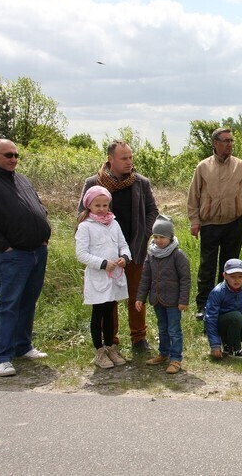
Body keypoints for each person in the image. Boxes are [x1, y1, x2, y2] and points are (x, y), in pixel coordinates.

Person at [0, 139, 51, 377]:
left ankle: (22, 346)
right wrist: (5, 247)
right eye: (8, 155)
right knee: (7, 304)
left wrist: (44, 234)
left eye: (16, 155)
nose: (13, 159)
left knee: (27, 301)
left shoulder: (21, 178)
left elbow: (39, 207)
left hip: (37, 252)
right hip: (12, 256)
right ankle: (1, 356)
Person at [79, 141, 158, 354]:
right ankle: (110, 341)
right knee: (108, 298)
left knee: (136, 295)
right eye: (124, 158)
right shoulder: (94, 183)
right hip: (104, 256)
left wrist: (144, 233)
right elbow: (81, 215)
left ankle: (138, 337)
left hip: (134, 249)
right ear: (110, 160)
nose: (129, 162)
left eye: (131, 157)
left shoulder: (140, 182)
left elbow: (153, 211)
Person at [187, 127, 242, 321]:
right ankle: (203, 306)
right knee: (207, 266)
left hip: (234, 223)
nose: (229, 145)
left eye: (231, 141)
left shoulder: (241, 166)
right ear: (215, 143)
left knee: (230, 266)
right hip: (209, 224)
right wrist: (195, 221)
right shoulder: (203, 167)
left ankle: (226, 305)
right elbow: (194, 196)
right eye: (225, 141)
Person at [75, 186, 131, 369]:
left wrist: (124, 257)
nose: (101, 208)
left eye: (105, 205)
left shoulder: (114, 223)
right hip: (98, 277)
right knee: (98, 313)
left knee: (110, 312)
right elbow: (81, 254)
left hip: (114, 276)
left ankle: (110, 347)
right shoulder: (85, 227)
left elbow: (123, 244)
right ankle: (99, 351)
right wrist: (103, 263)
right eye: (97, 205)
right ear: (89, 205)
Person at [135, 216, 191, 374]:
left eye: (162, 237)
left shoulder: (178, 255)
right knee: (162, 328)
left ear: (170, 237)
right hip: (157, 300)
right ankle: (163, 353)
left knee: (174, 329)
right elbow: (145, 277)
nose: (158, 240)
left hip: (173, 302)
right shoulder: (151, 254)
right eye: (156, 237)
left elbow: (185, 279)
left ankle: (176, 358)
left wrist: (183, 300)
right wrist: (140, 298)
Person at [205, 258, 242, 359]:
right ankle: (234, 350)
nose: (237, 280)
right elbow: (210, 319)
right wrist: (215, 345)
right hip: (220, 324)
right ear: (224, 275)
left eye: (240, 276)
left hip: (235, 322)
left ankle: (228, 345)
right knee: (235, 316)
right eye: (232, 276)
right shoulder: (218, 292)